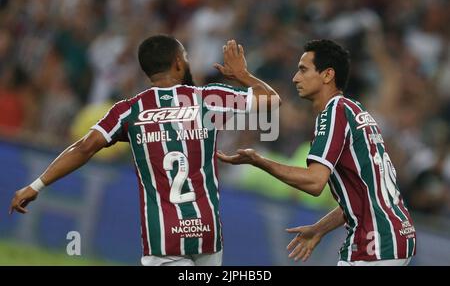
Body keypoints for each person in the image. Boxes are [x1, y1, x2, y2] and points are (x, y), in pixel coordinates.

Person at [9, 35, 280, 266]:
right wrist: (243, 75)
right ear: (177, 63)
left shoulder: (128, 110)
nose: (187, 61)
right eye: (185, 56)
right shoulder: (207, 99)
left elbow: (84, 147)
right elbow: (272, 101)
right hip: (206, 233)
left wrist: (36, 185)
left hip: (164, 237)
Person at [218, 39, 417, 266]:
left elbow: (314, 182)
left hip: (377, 243)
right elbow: (362, 193)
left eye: (303, 70)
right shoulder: (354, 109)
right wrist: (319, 229)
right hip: (396, 234)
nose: (295, 78)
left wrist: (259, 161)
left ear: (327, 75)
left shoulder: (333, 113)